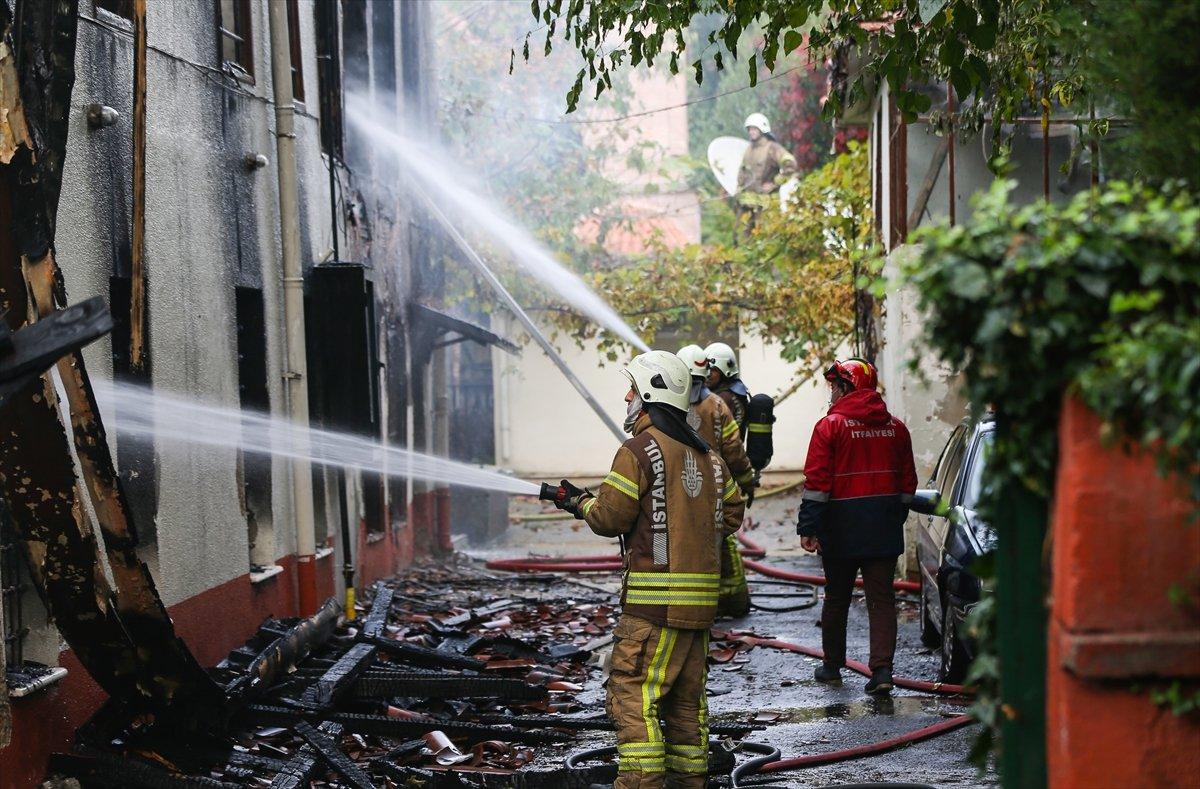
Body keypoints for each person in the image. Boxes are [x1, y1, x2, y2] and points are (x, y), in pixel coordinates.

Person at [551, 350, 745, 788]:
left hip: (651, 610)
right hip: (698, 614)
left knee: (634, 696)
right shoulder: (710, 458)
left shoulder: (637, 451)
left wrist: (576, 501)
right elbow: (732, 513)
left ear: (651, 395)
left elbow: (609, 518)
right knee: (685, 708)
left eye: (633, 390)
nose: (626, 397)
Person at [796, 358, 917, 695]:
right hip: (882, 525)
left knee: (837, 597)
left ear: (846, 387)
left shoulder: (829, 426)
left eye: (835, 385)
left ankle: (832, 666)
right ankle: (882, 673)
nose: (831, 392)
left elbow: (817, 483)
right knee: (881, 599)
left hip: (841, 526)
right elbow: (908, 483)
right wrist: (895, 516)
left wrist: (809, 527)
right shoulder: (897, 428)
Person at [678, 344, 755, 617]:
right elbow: (734, 450)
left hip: (679, 490)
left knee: (684, 543)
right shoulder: (717, 405)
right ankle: (733, 601)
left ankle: (695, 605)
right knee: (722, 541)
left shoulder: (667, 408)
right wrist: (747, 480)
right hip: (715, 488)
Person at [736, 112, 798, 197]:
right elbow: (742, 171)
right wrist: (739, 188)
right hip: (747, 203)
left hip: (767, 203)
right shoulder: (748, 149)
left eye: (754, 129)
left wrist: (774, 184)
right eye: (749, 129)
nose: (751, 132)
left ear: (762, 129)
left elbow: (790, 164)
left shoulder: (772, 148)